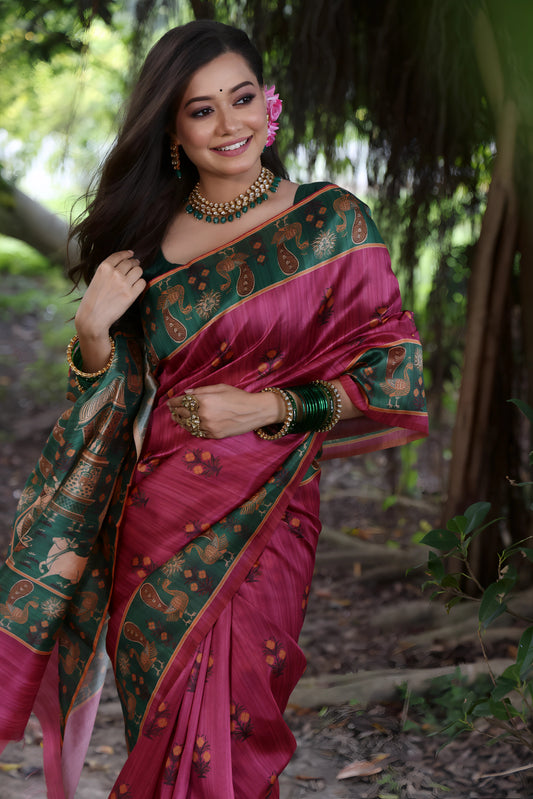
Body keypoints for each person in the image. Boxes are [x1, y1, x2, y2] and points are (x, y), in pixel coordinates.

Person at [0, 19, 428, 799]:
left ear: (268, 105)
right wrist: (93, 331)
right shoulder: (142, 248)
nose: (229, 124)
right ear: (171, 129)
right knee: (167, 732)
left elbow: (389, 370)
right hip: (156, 526)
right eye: (201, 110)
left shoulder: (333, 223)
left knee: (235, 725)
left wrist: (268, 405)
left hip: (272, 518)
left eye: (240, 100)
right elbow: (109, 400)